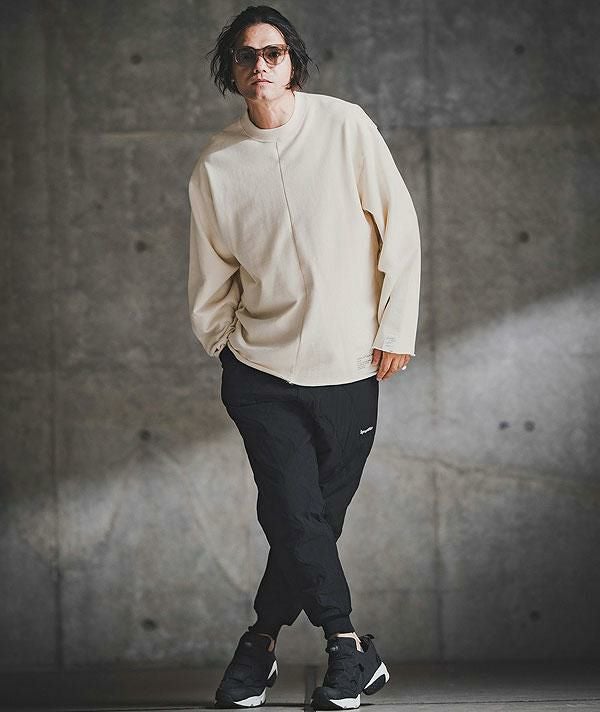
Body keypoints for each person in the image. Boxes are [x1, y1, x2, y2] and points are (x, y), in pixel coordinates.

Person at [187, 5, 421, 710]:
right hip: (259, 373)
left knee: (308, 522)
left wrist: (395, 328)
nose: (260, 66)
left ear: (293, 62)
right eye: (245, 55)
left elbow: (400, 228)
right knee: (295, 512)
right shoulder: (217, 164)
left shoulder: (346, 126)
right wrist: (225, 346)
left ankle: (258, 644)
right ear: (230, 69)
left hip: (349, 368)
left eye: (274, 53)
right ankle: (347, 645)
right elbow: (211, 273)